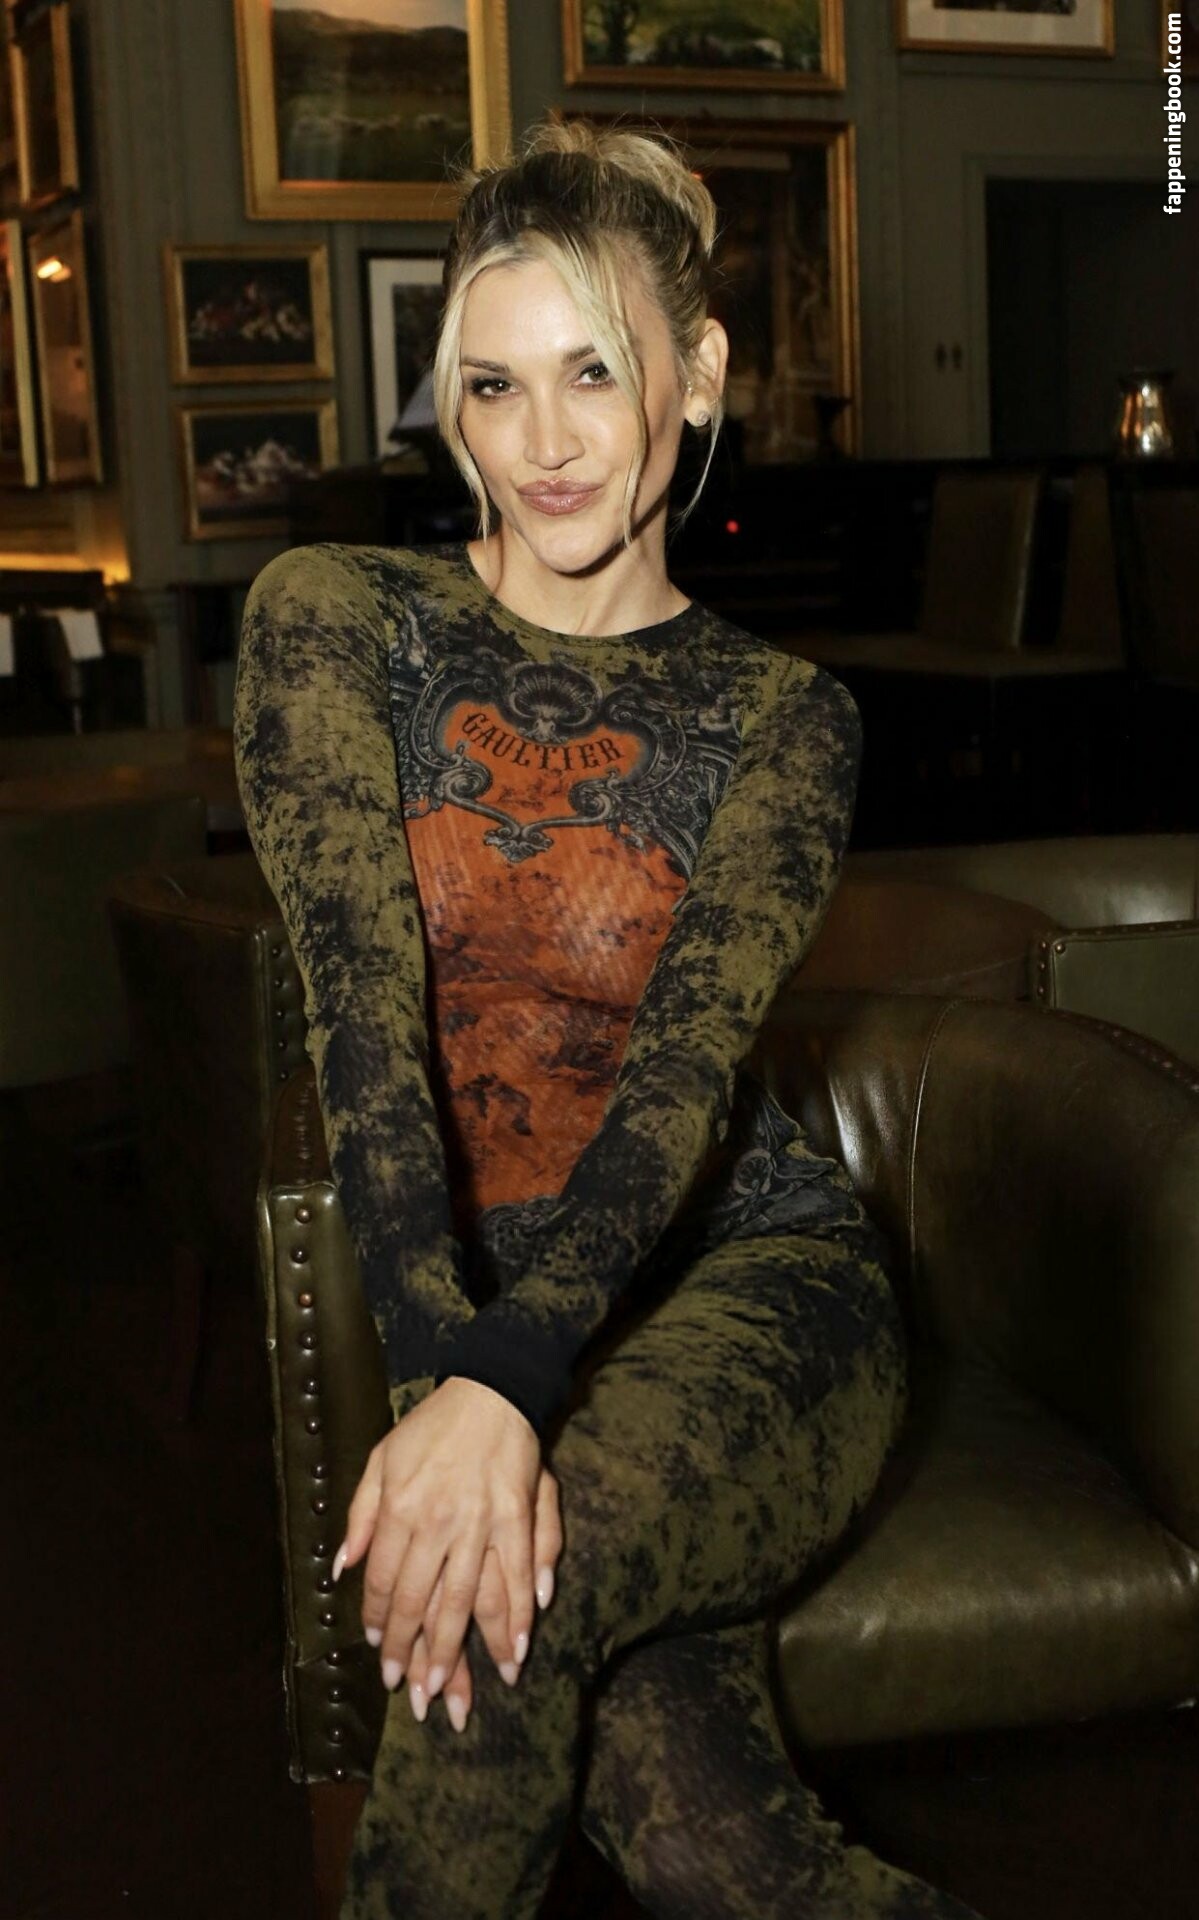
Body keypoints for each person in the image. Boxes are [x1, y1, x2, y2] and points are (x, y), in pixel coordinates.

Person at [233, 115, 985, 1920]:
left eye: (594, 371)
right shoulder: (338, 619)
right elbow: (363, 1029)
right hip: (488, 1316)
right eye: (494, 386)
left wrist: (507, 1386)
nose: (545, 443)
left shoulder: (785, 718)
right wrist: (455, 1371)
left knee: (495, 1609)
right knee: (728, 1852)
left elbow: (681, 1086)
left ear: (697, 373)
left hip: (760, 1299)